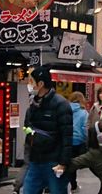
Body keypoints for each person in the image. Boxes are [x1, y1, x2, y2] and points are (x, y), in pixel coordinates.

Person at [22, 65, 73, 194]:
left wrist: (63, 163)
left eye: (31, 81)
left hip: (54, 162)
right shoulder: (33, 105)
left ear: (40, 84)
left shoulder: (61, 104)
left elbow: (67, 137)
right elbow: (28, 129)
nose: (29, 85)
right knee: (28, 191)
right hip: (35, 161)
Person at [69, 92, 88, 192]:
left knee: (67, 163)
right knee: (74, 164)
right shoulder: (83, 112)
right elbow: (85, 128)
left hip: (67, 141)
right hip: (79, 142)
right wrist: (86, 140)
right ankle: (73, 187)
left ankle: (72, 185)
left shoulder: (65, 110)